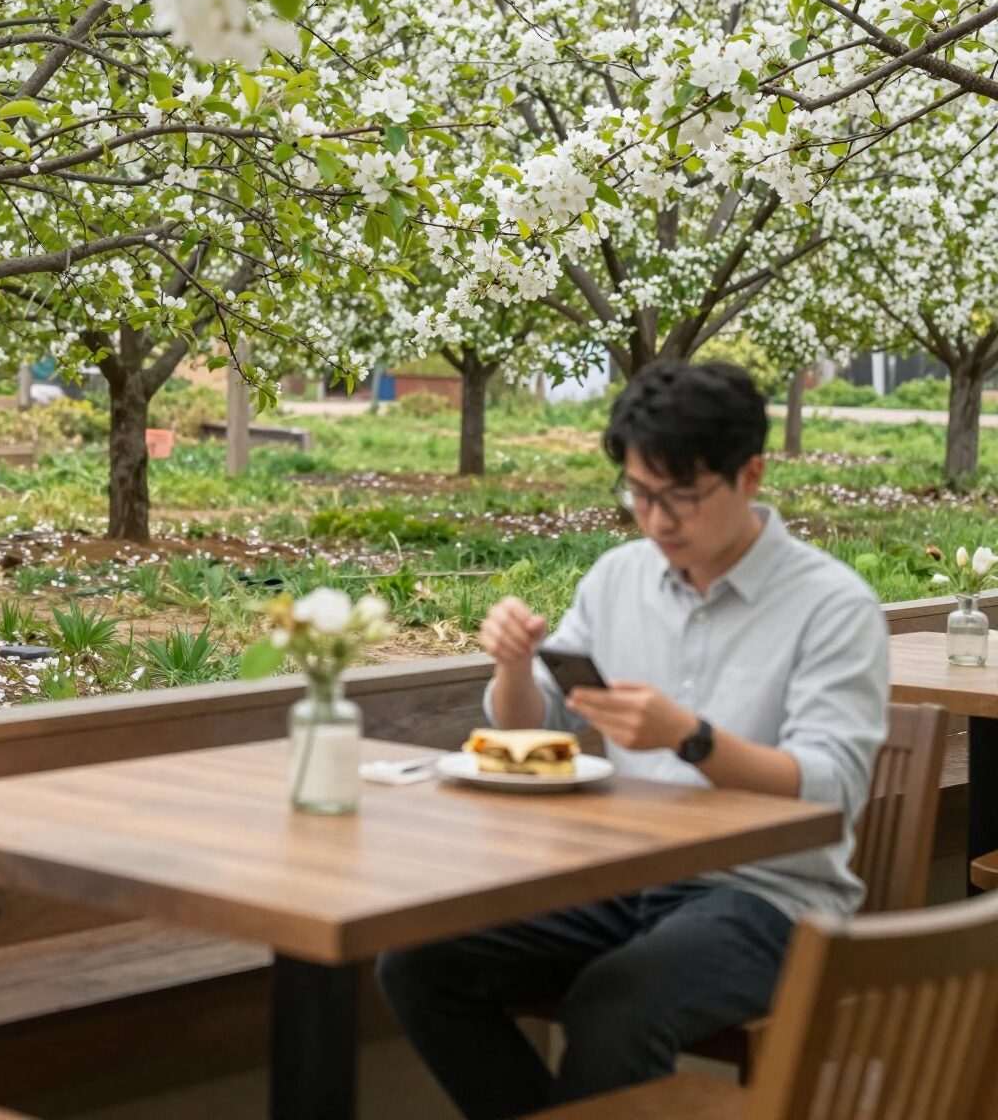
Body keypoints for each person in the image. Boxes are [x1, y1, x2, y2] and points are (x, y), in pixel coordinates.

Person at [377, 361, 889, 1120]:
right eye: (640, 494)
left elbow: (832, 786)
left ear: (751, 474)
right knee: (420, 963)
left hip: (771, 898)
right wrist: (513, 666)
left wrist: (691, 739)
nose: (658, 521)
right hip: (620, 879)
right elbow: (534, 727)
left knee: (613, 1005)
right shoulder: (620, 578)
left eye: (682, 496)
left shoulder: (833, 606)